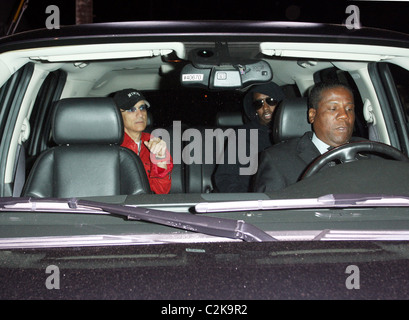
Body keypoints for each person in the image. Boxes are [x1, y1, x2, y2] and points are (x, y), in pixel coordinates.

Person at [252, 80, 363, 193]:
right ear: (312, 115)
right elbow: (269, 209)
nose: (344, 115)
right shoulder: (278, 160)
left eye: (349, 109)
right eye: (333, 109)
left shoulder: (371, 153)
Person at [214, 82, 286, 192]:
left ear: (281, 103)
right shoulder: (242, 135)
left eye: (270, 101)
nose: (265, 108)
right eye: (259, 104)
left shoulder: (293, 135)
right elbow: (224, 177)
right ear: (255, 110)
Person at [113, 88, 173, 194]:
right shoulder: (111, 146)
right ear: (117, 115)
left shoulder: (155, 142)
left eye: (142, 108)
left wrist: (160, 160)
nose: (140, 114)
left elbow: (161, 191)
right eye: (132, 109)